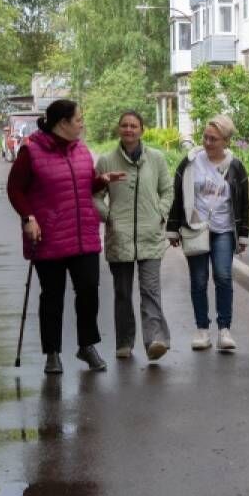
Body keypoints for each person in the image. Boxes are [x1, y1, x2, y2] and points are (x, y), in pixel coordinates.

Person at [8, 99, 126, 374]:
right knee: (52, 297)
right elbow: (15, 189)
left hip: (83, 234)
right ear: (62, 123)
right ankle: (52, 353)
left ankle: (86, 346)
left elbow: (84, 185)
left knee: (88, 290)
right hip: (48, 236)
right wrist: (29, 217)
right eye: (78, 119)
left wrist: (102, 180)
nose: (82, 124)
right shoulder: (31, 151)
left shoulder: (81, 150)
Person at [93, 111, 174, 362]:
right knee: (123, 293)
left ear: (142, 130)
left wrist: (159, 214)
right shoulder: (106, 161)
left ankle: (155, 341)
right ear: (119, 129)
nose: (129, 130)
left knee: (151, 291)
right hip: (120, 237)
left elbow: (167, 190)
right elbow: (94, 196)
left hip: (150, 236)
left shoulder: (157, 159)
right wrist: (110, 217)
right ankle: (124, 342)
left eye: (134, 126)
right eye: (125, 126)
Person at [166, 115, 249, 353]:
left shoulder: (235, 166)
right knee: (199, 280)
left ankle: (225, 329)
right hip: (195, 228)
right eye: (205, 137)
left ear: (226, 141)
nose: (208, 142)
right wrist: (173, 228)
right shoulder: (190, 162)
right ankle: (202, 329)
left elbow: (244, 202)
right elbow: (178, 196)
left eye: (214, 139)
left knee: (223, 276)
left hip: (223, 229)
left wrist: (243, 235)